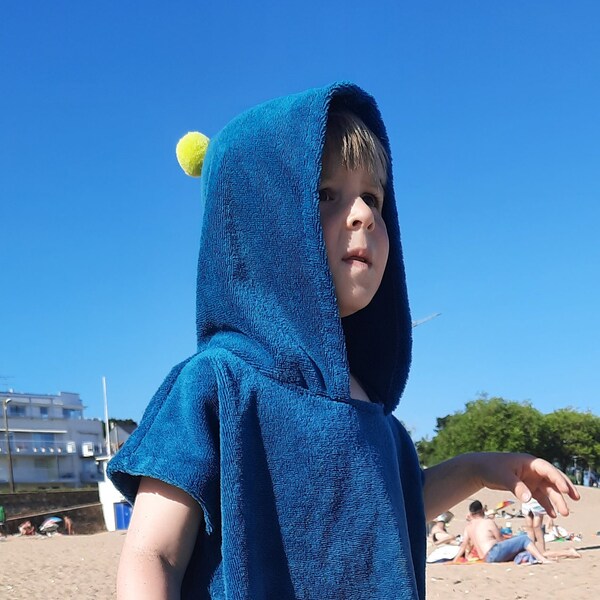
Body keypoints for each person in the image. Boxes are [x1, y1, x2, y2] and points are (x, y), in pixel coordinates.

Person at [107, 83, 579, 599]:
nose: (364, 215)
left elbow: (397, 504)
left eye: (373, 197)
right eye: (326, 194)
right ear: (256, 227)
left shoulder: (376, 414)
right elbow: (154, 553)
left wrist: (481, 467)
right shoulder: (218, 385)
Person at [453, 500, 551, 564]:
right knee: (524, 538)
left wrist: (454, 561)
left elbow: (463, 545)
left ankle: (532, 557)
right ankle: (543, 559)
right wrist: (510, 539)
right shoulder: (488, 522)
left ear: (471, 513)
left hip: (486, 559)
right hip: (494, 552)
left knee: (518, 545)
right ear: (482, 510)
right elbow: (500, 540)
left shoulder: (468, 527)